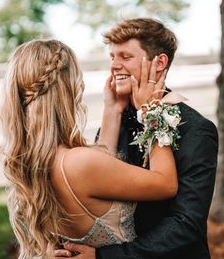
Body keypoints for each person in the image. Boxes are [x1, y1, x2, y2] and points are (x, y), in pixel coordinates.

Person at [55, 18, 218, 259]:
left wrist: (106, 257)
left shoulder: (196, 130)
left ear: (160, 62)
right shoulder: (116, 118)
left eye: (125, 57)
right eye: (112, 57)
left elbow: (186, 225)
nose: (114, 65)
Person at [0, 38, 178, 259]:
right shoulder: (79, 162)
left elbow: (102, 171)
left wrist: (112, 109)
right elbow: (166, 183)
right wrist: (151, 109)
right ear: (67, 89)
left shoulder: (34, 163)